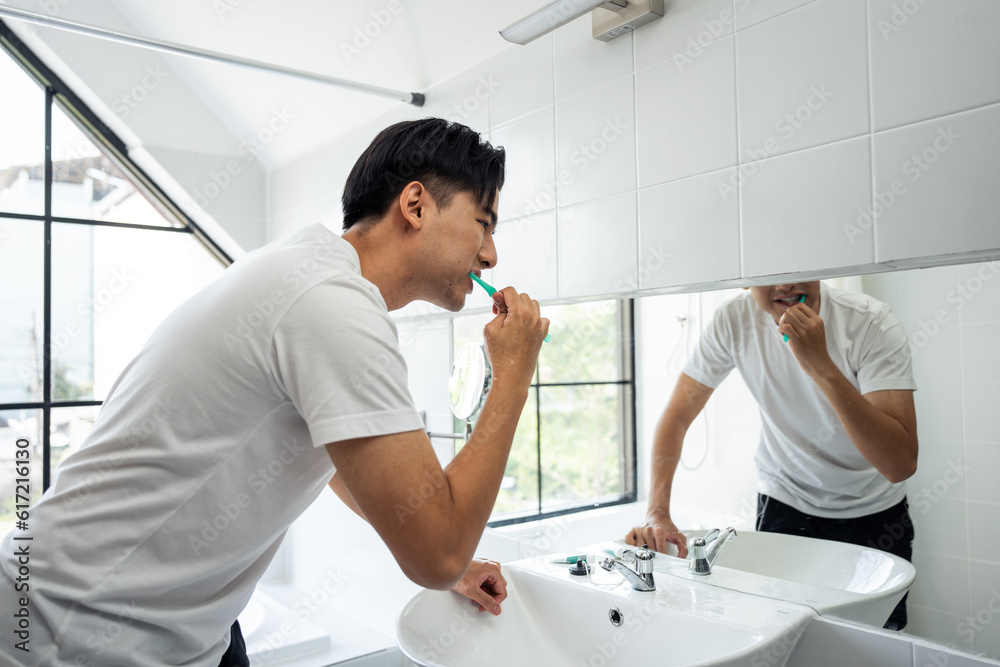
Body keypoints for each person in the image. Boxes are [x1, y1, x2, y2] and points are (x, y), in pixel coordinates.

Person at [0, 118, 549, 666]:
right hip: (75, 632)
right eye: (483, 223)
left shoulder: (303, 269)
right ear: (415, 206)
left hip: (177, 627)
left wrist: (454, 563)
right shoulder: (333, 303)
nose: (491, 255)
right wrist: (514, 378)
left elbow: (343, 460)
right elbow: (435, 556)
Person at [626, 282, 918, 630]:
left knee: (877, 649)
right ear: (747, 277)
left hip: (874, 514)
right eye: (769, 272)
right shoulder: (734, 319)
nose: (785, 284)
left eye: (796, 267)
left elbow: (899, 464)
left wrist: (821, 366)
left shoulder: (871, 322)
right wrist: (658, 512)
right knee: (783, 642)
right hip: (785, 507)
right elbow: (677, 416)